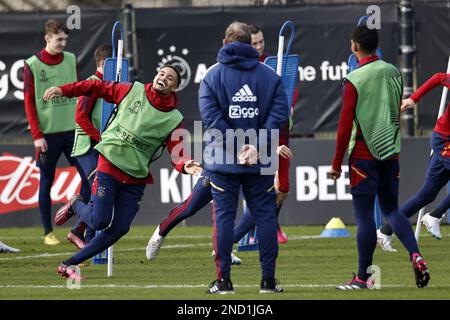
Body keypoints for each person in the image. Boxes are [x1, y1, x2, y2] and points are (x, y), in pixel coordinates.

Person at [42, 65, 202, 278]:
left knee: (119, 228)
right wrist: (64, 90)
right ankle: (76, 204)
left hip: (135, 178)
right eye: (161, 73)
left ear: (175, 87)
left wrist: (185, 164)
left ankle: (68, 264)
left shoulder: (174, 119)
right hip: (109, 164)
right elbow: (94, 87)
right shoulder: (131, 90)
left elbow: (178, 153)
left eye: (170, 77)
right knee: (99, 221)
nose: (163, 77)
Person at [328, 25, 430, 289]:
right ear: (377, 45)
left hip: (363, 154)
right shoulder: (394, 72)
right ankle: (416, 255)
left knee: (363, 217)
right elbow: (395, 107)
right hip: (390, 151)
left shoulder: (354, 78)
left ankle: (363, 277)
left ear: (354, 47)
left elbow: (344, 125)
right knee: (392, 210)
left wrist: (336, 163)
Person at [199, 21, 288, 294]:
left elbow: (211, 119)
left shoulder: (211, 76)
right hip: (259, 160)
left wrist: (239, 147)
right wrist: (257, 147)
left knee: (224, 218)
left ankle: (224, 282)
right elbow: (280, 114)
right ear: (250, 44)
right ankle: (268, 282)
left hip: (223, 161)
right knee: (265, 217)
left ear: (225, 43)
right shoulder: (269, 75)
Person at [24, 19, 90, 246]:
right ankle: (47, 232)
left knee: (89, 176)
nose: (63, 43)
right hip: (47, 135)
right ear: (47, 38)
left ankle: (81, 224)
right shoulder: (32, 64)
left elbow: (79, 90)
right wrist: (36, 135)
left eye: (65, 39)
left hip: (73, 131)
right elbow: (29, 103)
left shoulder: (71, 59)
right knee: (46, 180)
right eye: (58, 39)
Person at [377, 72, 450, 248]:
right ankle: (434, 216)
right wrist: (413, 99)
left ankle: (385, 231)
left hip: (443, 140)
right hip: (444, 140)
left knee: (426, 195)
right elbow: (439, 77)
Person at [66, 44, 112, 250]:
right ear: (104, 63)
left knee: (94, 191)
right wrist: (98, 137)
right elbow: (80, 116)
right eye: (115, 63)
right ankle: (82, 234)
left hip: (100, 147)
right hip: (87, 147)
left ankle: (82, 235)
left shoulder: (111, 85)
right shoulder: (92, 83)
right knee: (100, 190)